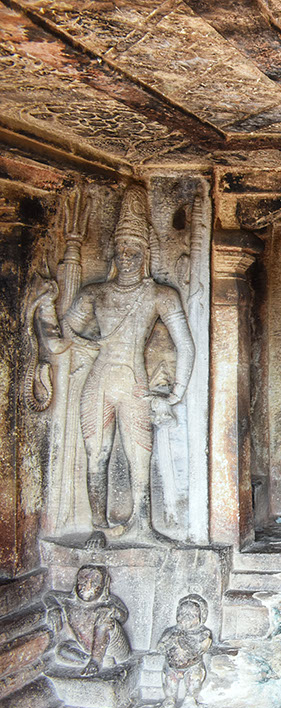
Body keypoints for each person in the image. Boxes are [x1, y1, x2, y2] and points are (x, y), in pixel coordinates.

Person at [63, 186, 194, 541]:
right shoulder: (95, 293)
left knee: (139, 456)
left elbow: (185, 344)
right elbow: (67, 330)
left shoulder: (159, 295)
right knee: (97, 453)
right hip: (100, 380)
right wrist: (87, 346)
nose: (128, 258)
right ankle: (97, 525)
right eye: (122, 251)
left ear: (145, 255)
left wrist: (176, 393)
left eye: (135, 251)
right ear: (114, 254)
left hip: (135, 383)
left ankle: (142, 524)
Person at [44, 565, 131, 676]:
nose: (87, 587)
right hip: (85, 648)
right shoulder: (69, 601)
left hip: (114, 648)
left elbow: (123, 615)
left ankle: (96, 661)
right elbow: (50, 596)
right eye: (83, 583)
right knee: (62, 650)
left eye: (94, 584)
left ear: (104, 585)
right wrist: (53, 608)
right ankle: (91, 661)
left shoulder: (108, 601)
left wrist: (112, 611)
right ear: (76, 583)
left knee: (104, 617)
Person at [158, 594, 213, 708]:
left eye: (192, 615)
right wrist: (168, 643)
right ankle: (170, 698)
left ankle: (190, 698)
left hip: (193, 666)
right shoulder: (170, 632)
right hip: (172, 666)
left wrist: (185, 641)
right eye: (182, 614)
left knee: (194, 680)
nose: (186, 617)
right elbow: (160, 646)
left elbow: (201, 648)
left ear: (201, 617)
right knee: (169, 681)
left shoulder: (203, 633)